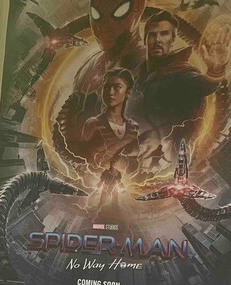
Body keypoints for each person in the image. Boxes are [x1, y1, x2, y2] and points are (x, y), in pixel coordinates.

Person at [131, 10, 231, 148]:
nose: (158, 39)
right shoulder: (137, 75)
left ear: (173, 40)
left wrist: (215, 70)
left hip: (162, 152)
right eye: (152, 35)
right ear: (145, 39)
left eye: (164, 34)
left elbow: (204, 85)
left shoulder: (180, 74)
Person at [80, 68, 141, 169]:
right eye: (107, 88)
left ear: (128, 93)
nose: (111, 92)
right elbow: (82, 161)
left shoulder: (134, 128)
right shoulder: (93, 124)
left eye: (117, 87)